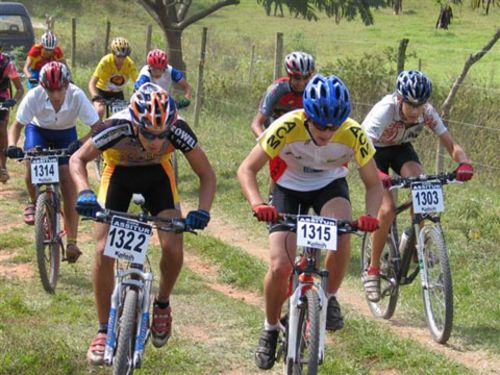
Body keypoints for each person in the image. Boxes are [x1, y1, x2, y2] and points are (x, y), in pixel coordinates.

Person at [237, 74, 383, 370]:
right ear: (308, 116)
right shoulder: (287, 125)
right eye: (320, 125)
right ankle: (268, 328)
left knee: (343, 234)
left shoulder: (353, 132)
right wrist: (258, 203)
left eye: (334, 125)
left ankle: (328, 298)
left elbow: (373, 184)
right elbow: (247, 169)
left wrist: (369, 214)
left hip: (329, 186)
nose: (328, 132)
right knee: (281, 266)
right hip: (289, 187)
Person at [69, 82, 216, 365]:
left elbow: (206, 174)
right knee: (103, 250)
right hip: (118, 175)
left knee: (173, 245)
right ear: (135, 123)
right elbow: (78, 159)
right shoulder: (116, 125)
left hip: (157, 177)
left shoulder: (177, 129)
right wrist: (84, 191)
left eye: (162, 135)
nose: (157, 141)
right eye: (149, 133)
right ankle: (102, 329)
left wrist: (203, 210)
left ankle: (162, 304)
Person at [361, 70, 474, 303]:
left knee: (422, 185)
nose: (415, 111)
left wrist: (464, 163)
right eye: (411, 105)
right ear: (400, 99)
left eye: (420, 105)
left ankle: (417, 240)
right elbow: (362, 149)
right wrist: (379, 175)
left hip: (402, 149)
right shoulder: (385, 111)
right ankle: (372, 270)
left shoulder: (427, 113)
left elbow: (452, 145)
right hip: (374, 153)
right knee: (387, 210)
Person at [6, 61, 99, 262]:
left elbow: (96, 127)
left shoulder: (77, 95)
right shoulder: (34, 96)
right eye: (50, 89)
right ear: (43, 87)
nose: (56, 94)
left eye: (60, 89)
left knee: (67, 183)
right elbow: (16, 126)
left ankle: (72, 242)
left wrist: (79, 143)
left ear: (67, 85)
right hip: (38, 131)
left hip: (66, 135)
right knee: (31, 168)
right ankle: (34, 203)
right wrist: (13, 145)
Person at [250, 51, 315, 137]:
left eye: (306, 77)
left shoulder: (314, 92)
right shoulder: (276, 90)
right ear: (289, 75)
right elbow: (256, 124)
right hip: (274, 130)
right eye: (297, 78)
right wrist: (265, 143)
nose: (301, 83)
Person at [88, 37, 138, 120]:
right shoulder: (105, 61)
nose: (121, 59)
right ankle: (96, 131)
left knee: (122, 117)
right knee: (100, 110)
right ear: (113, 53)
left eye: (124, 56)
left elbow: (138, 82)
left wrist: (137, 93)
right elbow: (92, 82)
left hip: (117, 93)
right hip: (101, 91)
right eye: (118, 56)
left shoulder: (129, 64)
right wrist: (94, 96)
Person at [0, 52, 24, 183]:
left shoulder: (8, 65)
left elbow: (20, 89)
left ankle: (3, 167)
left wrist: (13, 101)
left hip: (2, 98)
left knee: (2, 129)